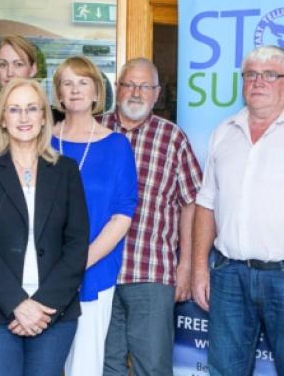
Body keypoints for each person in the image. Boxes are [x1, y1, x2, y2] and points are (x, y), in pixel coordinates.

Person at [0, 77, 89, 376]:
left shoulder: (66, 171)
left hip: (53, 311)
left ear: (44, 117)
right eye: (14, 109)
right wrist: (17, 303)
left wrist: (42, 304)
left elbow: (76, 244)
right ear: (2, 118)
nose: (24, 117)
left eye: (32, 108)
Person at [102, 58, 202, 376]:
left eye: (145, 86)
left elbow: (192, 203)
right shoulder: (95, 130)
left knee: (153, 366)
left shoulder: (173, 138)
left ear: (157, 94)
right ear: (117, 90)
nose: (136, 92)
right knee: (104, 364)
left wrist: (185, 265)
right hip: (98, 271)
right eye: (129, 84)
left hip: (151, 272)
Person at [191, 45, 284, 376]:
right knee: (225, 371)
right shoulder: (223, 131)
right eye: (251, 74)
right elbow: (206, 204)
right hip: (229, 275)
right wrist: (200, 268)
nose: (258, 81)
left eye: (270, 74)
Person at [50, 55, 137, 376]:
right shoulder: (41, 139)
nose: (75, 90)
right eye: (67, 83)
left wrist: (76, 263)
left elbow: (122, 215)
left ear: (97, 92)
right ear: (58, 93)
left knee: (83, 367)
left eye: (83, 82)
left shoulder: (116, 146)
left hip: (93, 270)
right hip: (37, 272)